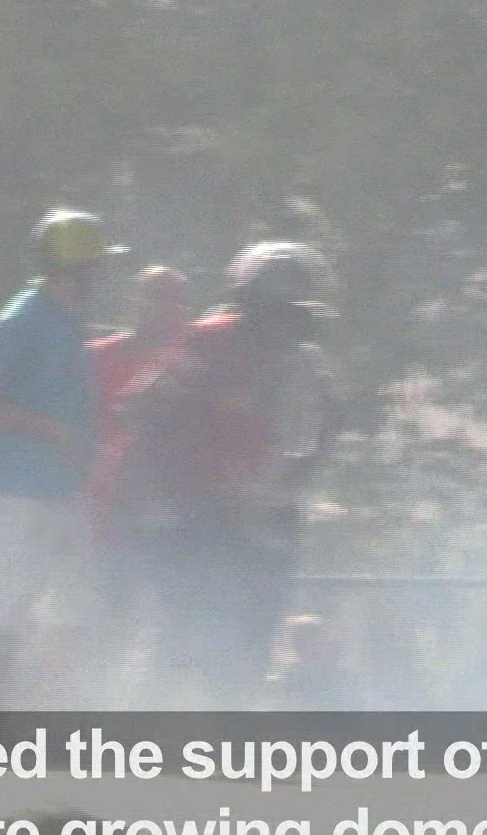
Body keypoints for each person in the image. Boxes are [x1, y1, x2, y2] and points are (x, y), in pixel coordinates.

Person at [112, 241, 335, 707]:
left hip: (267, 517)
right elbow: (141, 408)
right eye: (274, 305)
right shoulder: (210, 342)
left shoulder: (306, 361)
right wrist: (164, 495)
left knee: (254, 639)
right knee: (185, 636)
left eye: (292, 305)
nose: (283, 318)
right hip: (197, 514)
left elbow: (318, 436)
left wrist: (279, 491)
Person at [0, 208, 117, 708]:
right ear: (72, 268)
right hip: (13, 494)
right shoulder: (21, 321)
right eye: (95, 266)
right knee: (0, 614)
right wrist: (56, 431)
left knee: (70, 611)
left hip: (62, 491)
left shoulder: (68, 319)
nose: (101, 276)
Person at [85, 266, 194, 678]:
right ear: (134, 302)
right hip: (108, 517)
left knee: (176, 632)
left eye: (177, 299)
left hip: (179, 517)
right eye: (156, 296)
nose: (168, 308)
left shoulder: (197, 362)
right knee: (107, 627)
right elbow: (74, 434)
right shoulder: (95, 358)